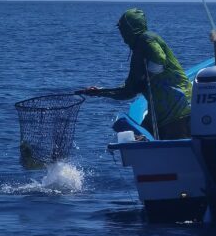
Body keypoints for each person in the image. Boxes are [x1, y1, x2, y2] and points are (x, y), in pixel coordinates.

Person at [78, 8, 192, 140]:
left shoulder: (147, 38)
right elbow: (129, 91)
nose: (121, 33)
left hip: (178, 110)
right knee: (137, 139)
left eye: (123, 28)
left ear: (131, 28)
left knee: (172, 148)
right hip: (158, 114)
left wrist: (149, 76)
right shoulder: (137, 54)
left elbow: (159, 58)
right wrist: (100, 92)